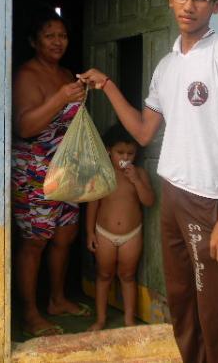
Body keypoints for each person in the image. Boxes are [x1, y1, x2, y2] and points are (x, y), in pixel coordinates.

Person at [78, 0, 218, 362]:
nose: (188, 5)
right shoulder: (166, 67)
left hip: (207, 200)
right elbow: (144, 132)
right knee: (182, 301)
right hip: (172, 193)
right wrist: (107, 85)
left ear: (216, 5)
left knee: (215, 307)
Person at [11, 7, 91, 338]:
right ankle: (30, 314)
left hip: (66, 169)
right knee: (35, 242)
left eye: (62, 35)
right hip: (35, 170)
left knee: (64, 236)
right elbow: (26, 126)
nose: (58, 42)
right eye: (49, 35)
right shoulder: (27, 76)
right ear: (33, 41)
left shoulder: (67, 74)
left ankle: (57, 300)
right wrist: (61, 97)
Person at [85, 123, 155, 331]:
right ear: (108, 150)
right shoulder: (102, 173)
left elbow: (149, 201)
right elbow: (93, 204)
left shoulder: (140, 173)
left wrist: (136, 181)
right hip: (104, 233)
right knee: (104, 275)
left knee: (127, 276)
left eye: (130, 153)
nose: (125, 157)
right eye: (119, 152)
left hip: (131, 235)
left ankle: (129, 320)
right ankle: (100, 319)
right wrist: (89, 232)